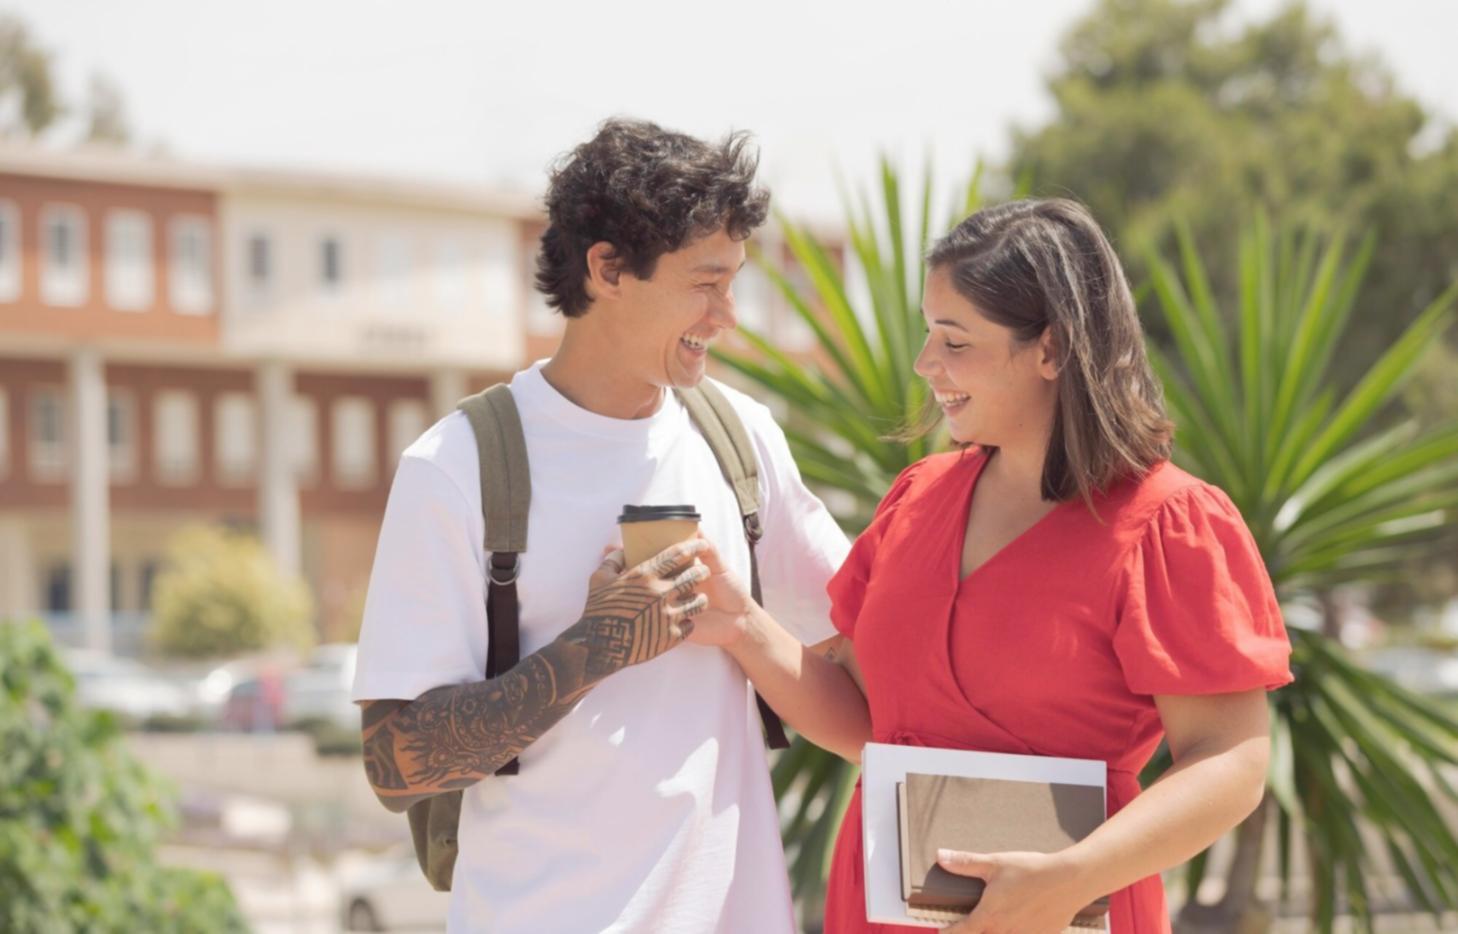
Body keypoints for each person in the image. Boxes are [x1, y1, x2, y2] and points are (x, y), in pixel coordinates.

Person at [701, 198, 1293, 933]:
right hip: (884, 910)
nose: (925, 364)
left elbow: (1232, 761)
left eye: (954, 341)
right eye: (928, 333)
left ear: (1051, 350)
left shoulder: (1167, 524)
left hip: (1070, 912)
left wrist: (1071, 878)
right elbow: (868, 721)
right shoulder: (916, 498)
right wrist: (739, 621)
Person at [349, 117, 868, 934]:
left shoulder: (742, 441)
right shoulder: (455, 467)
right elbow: (393, 763)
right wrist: (594, 649)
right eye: (706, 283)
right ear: (607, 269)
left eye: (733, 282)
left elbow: (866, 712)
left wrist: (742, 626)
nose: (728, 315)